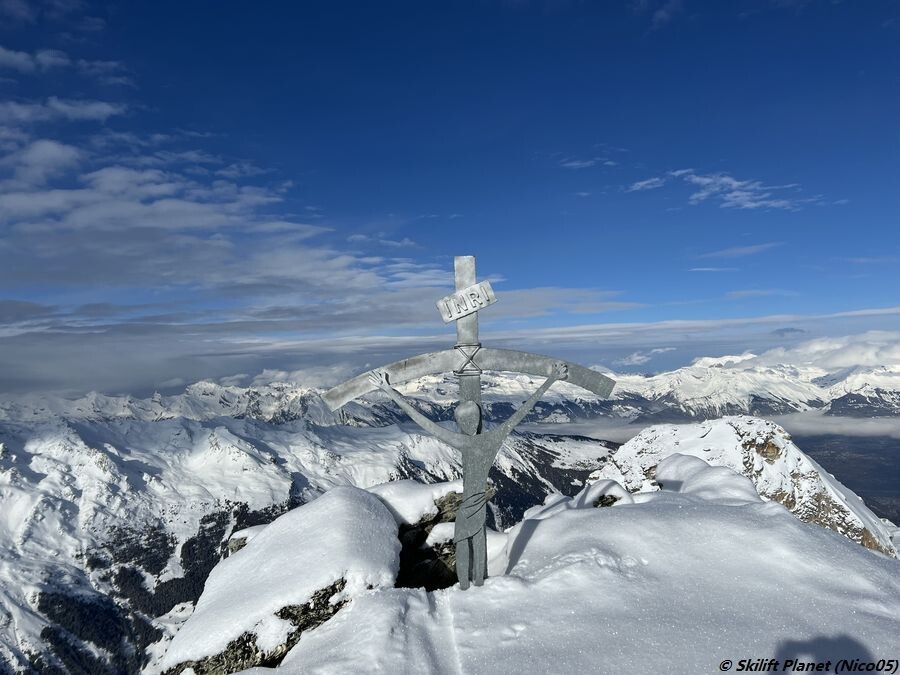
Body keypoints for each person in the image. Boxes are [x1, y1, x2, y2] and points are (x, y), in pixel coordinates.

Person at [368, 362, 568, 589]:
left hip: (470, 513)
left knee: (469, 552)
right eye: (464, 420)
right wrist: (551, 379)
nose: (466, 424)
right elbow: (519, 414)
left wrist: (388, 391)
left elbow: (423, 422)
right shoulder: (488, 439)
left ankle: (468, 590)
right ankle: (473, 589)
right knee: (474, 551)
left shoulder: (467, 440)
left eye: (468, 420)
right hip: (474, 512)